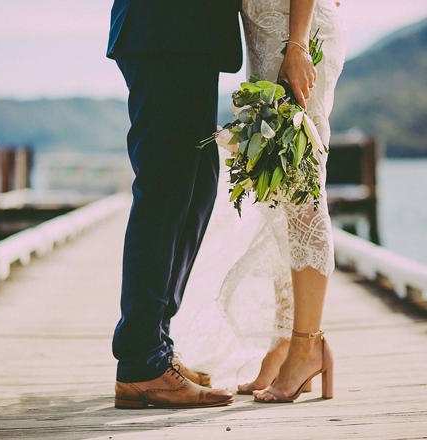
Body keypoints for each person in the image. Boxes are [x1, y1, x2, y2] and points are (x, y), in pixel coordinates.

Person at [106, 0, 242, 409]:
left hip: (187, 34)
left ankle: (155, 345)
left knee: (198, 185)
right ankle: (142, 360)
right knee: (166, 187)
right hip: (165, 29)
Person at [219, 0, 345, 401]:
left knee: (302, 189)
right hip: (266, 35)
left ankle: (308, 345)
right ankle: (284, 342)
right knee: (277, 200)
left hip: (297, 35)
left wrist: (298, 45)